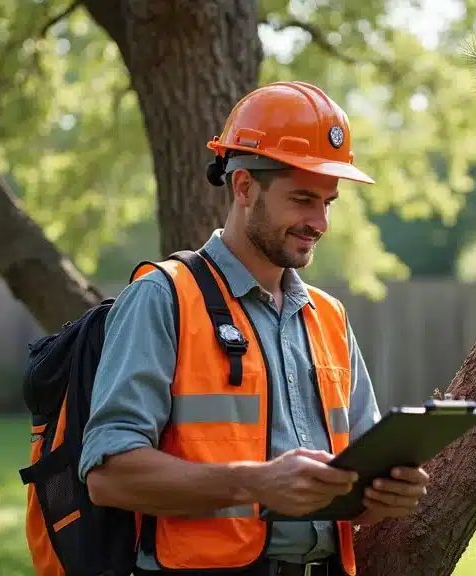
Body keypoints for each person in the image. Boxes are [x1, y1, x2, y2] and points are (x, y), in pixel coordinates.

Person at [78, 80, 430, 576]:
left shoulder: (328, 317)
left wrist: (385, 494)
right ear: (244, 187)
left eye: (328, 202)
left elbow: (353, 490)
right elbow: (109, 476)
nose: (320, 222)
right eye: (303, 198)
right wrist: (254, 483)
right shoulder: (163, 298)